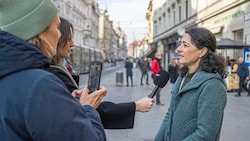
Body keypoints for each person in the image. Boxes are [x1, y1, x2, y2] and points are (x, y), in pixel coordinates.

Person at [0, 0, 107, 140]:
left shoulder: (9, 76)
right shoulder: (40, 84)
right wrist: (88, 108)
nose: (58, 34)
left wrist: (66, 102)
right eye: (56, 27)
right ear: (40, 30)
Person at [47, 17, 154, 129]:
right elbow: (88, 120)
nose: (73, 44)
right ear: (56, 39)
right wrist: (136, 106)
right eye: (68, 39)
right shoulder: (54, 74)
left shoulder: (57, 69)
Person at [154, 27, 227, 141]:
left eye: (185, 45)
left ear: (202, 52)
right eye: (180, 44)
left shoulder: (213, 86)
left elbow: (205, 135)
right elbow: (170, 115)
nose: (178, 49)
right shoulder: (182, 77)